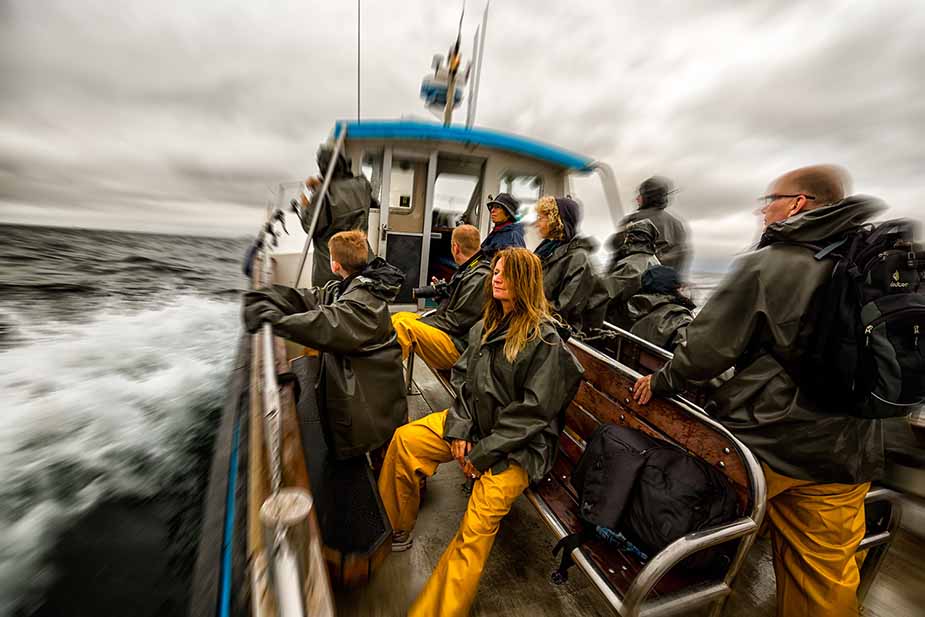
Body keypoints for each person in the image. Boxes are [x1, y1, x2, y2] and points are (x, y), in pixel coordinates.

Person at [632, 165, 883, 617]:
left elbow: (704, 353)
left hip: (769, 444)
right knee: (825, 579)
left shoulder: (767, 264)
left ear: (798, 203)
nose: (763, 211)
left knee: (709, 541)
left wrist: (661, 381)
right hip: (852, 449)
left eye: (769, 200)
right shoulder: (873, 260)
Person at [378, 247, 584, 617]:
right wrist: (460, 428)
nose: (496, 278)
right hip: (477, 428)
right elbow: (464, 381)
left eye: (506, 273)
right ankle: (395, 528)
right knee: (407, 442)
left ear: (526, 281)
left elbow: (533, 413)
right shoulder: (485, 326)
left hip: (520, 448)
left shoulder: (545, 340)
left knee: (475, 525)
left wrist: (480, 453)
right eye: (496, 272)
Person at [243, 230, 407, 460]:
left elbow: (324, 324)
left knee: (386, 457)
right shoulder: (353, 286)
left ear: (335, 264)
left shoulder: (361, 303)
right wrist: (267, 296)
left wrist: (274, 321)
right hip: (377, 397)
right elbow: (312, 298)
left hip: (374, 407)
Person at [391, 224, 490, 369]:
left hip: (460, 347)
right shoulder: (469, 269)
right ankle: (376, 364)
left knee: (403, 326)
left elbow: (456, 322)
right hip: (452, 333)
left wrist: (424, 322)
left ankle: (383, 379)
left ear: (455, 247)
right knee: (398, 317)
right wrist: (443, 297)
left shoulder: (479, 277)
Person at [300, 144, 376, 286]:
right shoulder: (363, 184)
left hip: (332, 270)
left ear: (322, 168)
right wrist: (323, 185)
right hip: (361, 264)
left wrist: (304, 205)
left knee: (331, 305)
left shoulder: (322, 193)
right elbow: (370, 202)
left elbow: (309, 226)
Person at [533, 196, 602, 334]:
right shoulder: (547, 249)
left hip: (555, 333)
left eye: (541, 218)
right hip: (536, 321)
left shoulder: (578, 259)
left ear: (555, 221)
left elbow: (563, 308)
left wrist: (527, 308)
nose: (536, 223)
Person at [620, 176, 691, 276]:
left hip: (639, 283)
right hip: (668, 285)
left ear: (648, 197)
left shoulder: (633, 220)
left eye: (640, 194)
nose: (636, 198)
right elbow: (683, 255)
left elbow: (617, 249)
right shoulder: (677, 223)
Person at [601, 218, 661, 329]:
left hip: (621, 326)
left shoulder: (630, 266)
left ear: (630, 238)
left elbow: (603, 295)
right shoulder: (655, 262)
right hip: (643, 325)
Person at [627, 265, 695, 351]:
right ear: (674, 290)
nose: (688, 290)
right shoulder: (678, 319)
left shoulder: (639, 311)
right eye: (682, 286)